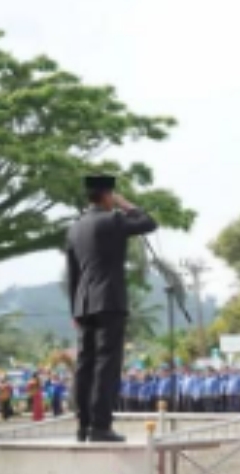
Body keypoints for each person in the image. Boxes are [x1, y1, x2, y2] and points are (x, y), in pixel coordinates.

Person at [67, 175, 157, 441]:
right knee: (107, 364)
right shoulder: (113, 219)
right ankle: (101, 426)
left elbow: (72, 273)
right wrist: (126, 204)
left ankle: (83, 425)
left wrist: (75, 307)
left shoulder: (74, 228)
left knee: (85, 364)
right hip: (109, 300)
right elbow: (149, 223)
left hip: (83, 303)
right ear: (108, 195)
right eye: (112, 195)